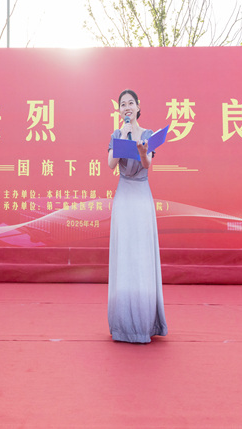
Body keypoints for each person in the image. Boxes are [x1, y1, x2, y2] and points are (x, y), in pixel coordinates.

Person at [106, 89, 167, 343]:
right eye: (123, 104)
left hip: (141, 196)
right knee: (125, 254)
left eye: (131, 103)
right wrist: (122, 137)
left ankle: (143, 320)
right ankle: (122, 322)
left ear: (138, 107)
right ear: (119, 110)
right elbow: (111, 164)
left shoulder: (148, 134)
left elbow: (147, 163)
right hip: (124, 197)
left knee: (141, 255)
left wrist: (142, 151)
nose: (127, 107)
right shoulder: (116, 134)